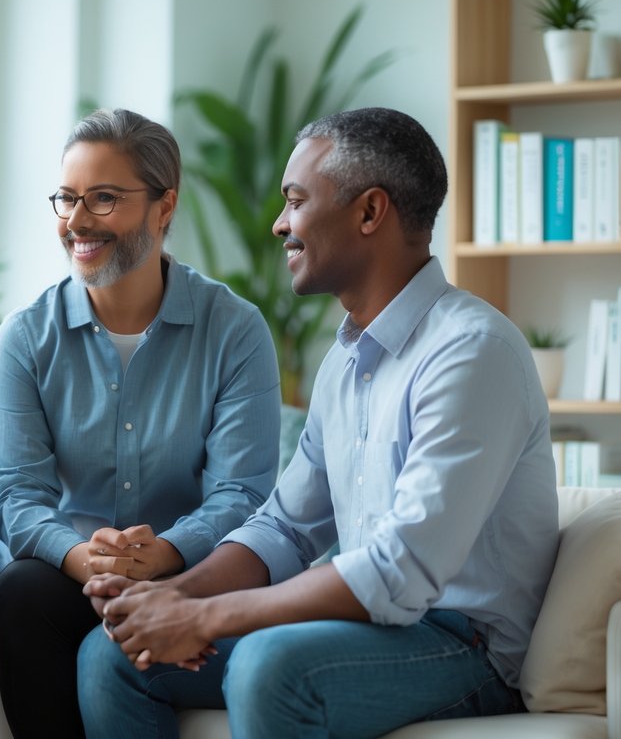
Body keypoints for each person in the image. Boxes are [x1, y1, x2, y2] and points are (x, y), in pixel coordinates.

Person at [79, 107, 560, 738]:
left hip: (462, 648)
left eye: (296, 201)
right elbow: (284, 528)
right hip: (366, 628)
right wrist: (176, 597)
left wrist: (210, 618)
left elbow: (400, 569)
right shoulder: (345, 362)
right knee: (112, 655)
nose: (280, 224)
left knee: (269, 664)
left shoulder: (472, 352)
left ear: (369, 212)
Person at [0, 108, 282, 738]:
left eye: (104, 199)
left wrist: (166, 554)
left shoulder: (234, 329)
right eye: (66, 199)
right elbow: (16, 495)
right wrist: (82, 559)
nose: (76, 221)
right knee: (21, 590)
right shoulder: (24, 338)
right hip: (69, 578)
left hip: (192, 572)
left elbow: (243, 492)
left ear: (163, 206)